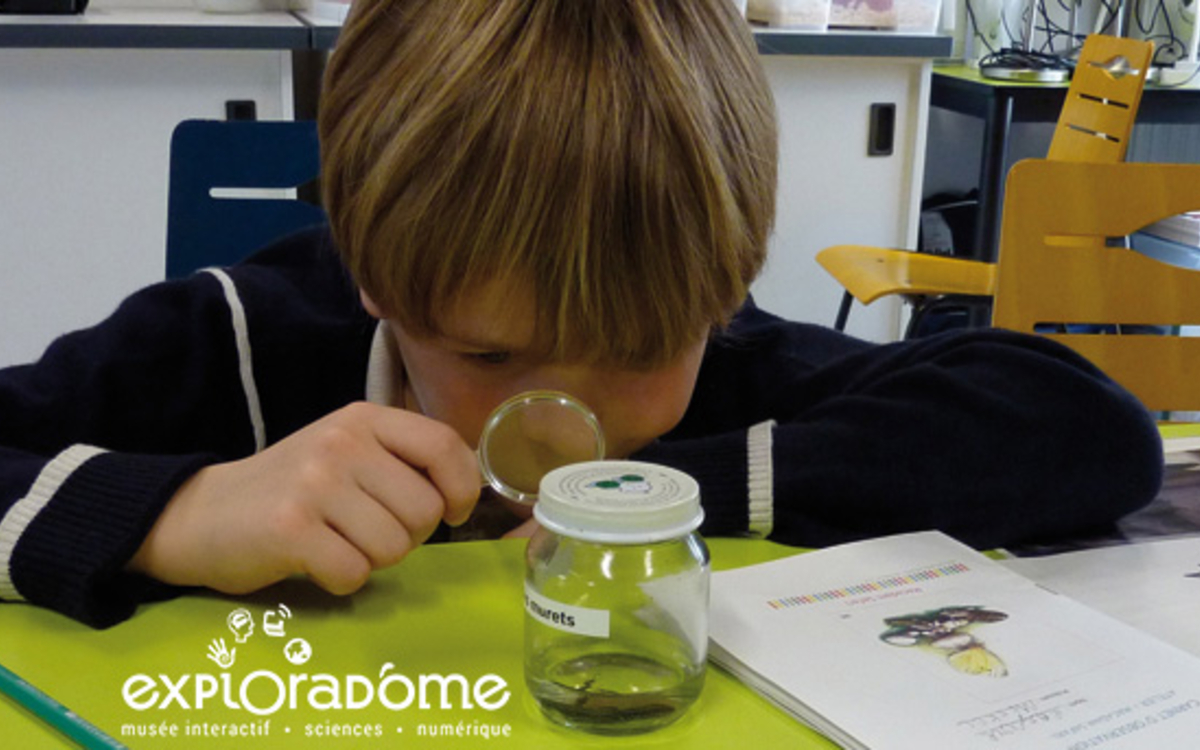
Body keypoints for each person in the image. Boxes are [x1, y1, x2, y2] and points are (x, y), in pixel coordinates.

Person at [0, 0, 1162, 629]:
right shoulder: (239, 340)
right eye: (488, 352)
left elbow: (1088, 430)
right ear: (376, 279)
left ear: (718, 294)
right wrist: (172, 515)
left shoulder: (731, 358)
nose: (565, 420)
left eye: (643, 350)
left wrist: (679, 487)